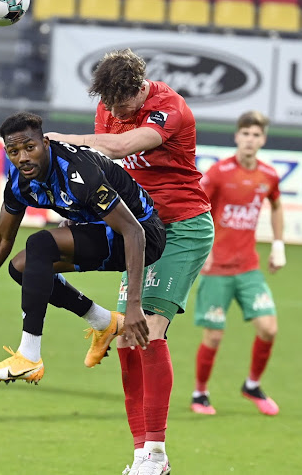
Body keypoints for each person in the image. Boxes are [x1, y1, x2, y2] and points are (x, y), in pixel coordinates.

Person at [46, 49, 214, 475]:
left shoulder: (169, 108)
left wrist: (64, 143)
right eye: (109, 104)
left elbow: (120, 147)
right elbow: (105, 164)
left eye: (121, 103)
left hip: (183, 226)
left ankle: (156, 455)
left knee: (150, 329)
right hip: (142, 230)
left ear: (140, 88)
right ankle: (141, 454)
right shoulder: (108, 107)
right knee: (126, 338)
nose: (115, 111)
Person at [0, 112, 166, 386]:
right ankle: (104, 321)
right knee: (22, 268)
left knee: (39, 244)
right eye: (14, 151)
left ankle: (29, 355)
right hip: (102, 230)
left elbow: (134, 231)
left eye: (29, 147)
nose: (23, 157)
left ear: (45, 144)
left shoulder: (79, 171)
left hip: (144, 235)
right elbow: (2, 239)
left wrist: (134, 306)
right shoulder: (20, 181)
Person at [190, 110, 286, 417]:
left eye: (256, 135)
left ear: (263, 139)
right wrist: (201, 251)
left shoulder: (268, 175)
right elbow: (197, 208)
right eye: (245, 133)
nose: (250, 139)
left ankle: (252, 385)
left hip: (248, 267)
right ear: (236, 137)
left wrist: (279, 244)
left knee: (269, 328)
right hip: (216, 268)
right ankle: (200, 393)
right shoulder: (218, 173)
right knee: (214, 335)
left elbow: (276, 205)